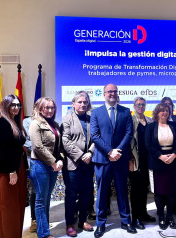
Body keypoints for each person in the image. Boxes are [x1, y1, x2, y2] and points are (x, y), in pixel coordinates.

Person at [90, 83, 136, 238]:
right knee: (102, 193)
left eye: (115, 91)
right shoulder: (96, 112)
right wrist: (110, 151)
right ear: (104, 94)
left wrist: (118, 151)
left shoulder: (125, 111)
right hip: (103, 159)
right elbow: (95, 136)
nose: (112, 94)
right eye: (109, 91)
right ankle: (100, 224)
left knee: (123, 191)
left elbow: (129, 133)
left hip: (120, 159)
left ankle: (126, 221)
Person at [0, 94, 27, 238]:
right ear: (6, 106)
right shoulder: (2, 122)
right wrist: (12, 171)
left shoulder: (15, 123)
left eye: (18, 105)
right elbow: (3, 149)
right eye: (13, 105)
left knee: (17, 206)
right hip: (7, 170)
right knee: (7, 208)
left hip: (17, 167)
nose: (16, 108)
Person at [61, 92, 95, 237]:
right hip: (72, 164)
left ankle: (82, 221)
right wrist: (81, 156)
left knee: (86, 194)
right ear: (73, 103)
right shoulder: (67, 119)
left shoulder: (91, 119)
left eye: (85, 102)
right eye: (80, 102)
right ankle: (69, 224)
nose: (83, 104)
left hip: (88, 163)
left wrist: (91, 152)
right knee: (71, 195)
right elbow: (65, 141)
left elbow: (95, 138)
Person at [146, 103, 176, 230]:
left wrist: (174, 155)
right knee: (159, 192)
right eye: (162, 111)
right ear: (157, 113)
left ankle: (170, 217)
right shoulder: (151, 127)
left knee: (171, 192)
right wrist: (160, 156)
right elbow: (148, 145)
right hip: (157, 163)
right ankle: (161, 216)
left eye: (167, 110)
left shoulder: (175, 126)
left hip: (172, 163)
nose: (165, 113)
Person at [29, 97, 63, 238]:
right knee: (41, 201)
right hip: (40, 165)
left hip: (52, 166)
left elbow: (58, 146)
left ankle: (43, 230)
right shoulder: (35, 124)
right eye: (46, 107)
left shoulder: (54, 124)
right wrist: (54, 162)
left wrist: (60, 159)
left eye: (52, 107)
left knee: (47, 199)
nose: (49, 110)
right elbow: (38, 147)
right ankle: (43, 234)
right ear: (40, 108)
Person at [129, 97, 155, 229]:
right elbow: (127, 142)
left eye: (143, 104)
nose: (141, 106)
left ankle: (144, 213)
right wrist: (130, 159)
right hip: (136, 160)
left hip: (148, 161)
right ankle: (136, 217)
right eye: (138, 104)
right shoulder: (130, 121)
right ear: (134, 106)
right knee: (135, 190)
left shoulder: (150, 121)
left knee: (144, 188)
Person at [161, 96, 176, 215]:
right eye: (165, 104)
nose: (167, 106)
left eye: (169, 104)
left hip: (175, 158)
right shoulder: (156, 121)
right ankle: (162, 206)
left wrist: (175, 154)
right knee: (162, 183)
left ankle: (173, 205)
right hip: (160, 159)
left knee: (173, 184)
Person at [23, 105, 37, 233]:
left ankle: (43, 219)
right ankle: (34, 220)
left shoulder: (50, 121)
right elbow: (25, 141)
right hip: (33, 160)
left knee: (44, 193)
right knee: (34, 191)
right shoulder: (27, 122)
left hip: (48, 162)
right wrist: (39, 150)